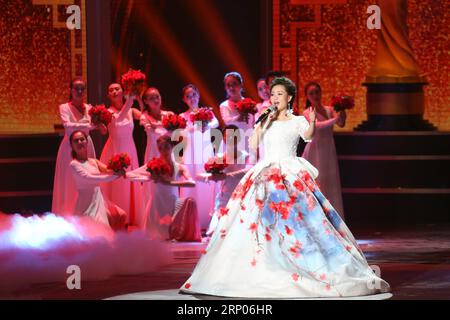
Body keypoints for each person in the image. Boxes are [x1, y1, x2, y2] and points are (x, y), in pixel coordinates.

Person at [179, 77, 389, 298]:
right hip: (265, 171)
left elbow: (307, 137)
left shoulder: (297, 120)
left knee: (300, 221)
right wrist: (262, 122)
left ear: (289, 97)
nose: (275, 98)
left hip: (289, 171)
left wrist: (312, 122)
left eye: (280, 94)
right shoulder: (265, 118)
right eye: (273, 94)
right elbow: (253, 143)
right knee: (254, 220)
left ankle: (303, 262)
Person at [127, 135, 201, 242]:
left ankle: (181, 232)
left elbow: (192, 183)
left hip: (173, 202)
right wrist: (148, 177)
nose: (163, 151)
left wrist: (169, 182)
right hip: (158, 204)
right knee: (158, 236)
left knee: (191, 202)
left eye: (166, 147)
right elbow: (133, 174)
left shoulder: (180, 167)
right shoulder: (153, 166)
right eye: (160, 148)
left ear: (172, 147)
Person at [52, 78, 106, 215]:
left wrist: (101, 125)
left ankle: (90, 213)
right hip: (69, 147)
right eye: (76, 88)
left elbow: (103, 129)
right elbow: (68, 125)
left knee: (89, 178)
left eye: (82, 89)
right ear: (71, 90)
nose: (80, 91)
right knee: (70, 181)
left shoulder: (90, 108)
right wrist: (89, 126)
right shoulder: (64, 107)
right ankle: (69, 213)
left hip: (87, 145)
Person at [100, 83, 144, 228]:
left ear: (122, 91)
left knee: (129, 181)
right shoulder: (108, 112)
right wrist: (130, 100)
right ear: (108, 95)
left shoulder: (131, 111)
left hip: (129, 149)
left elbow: (144, 115)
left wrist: (138, 98)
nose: (114, 91)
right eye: (110, 90)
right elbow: (118, 119)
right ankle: (116, 216)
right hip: (114, 149)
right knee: (116, 183)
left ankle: (130, 215)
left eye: (116, 89)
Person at [178, 84, 220, 230]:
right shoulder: (182, 116)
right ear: (184, 99)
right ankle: (189, 221)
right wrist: (192, 127)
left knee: (206, 184)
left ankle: (207, 220)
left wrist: (205, 125)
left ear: (198, 96)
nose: (192, 98)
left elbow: (216, 123)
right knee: (192, 183)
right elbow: (180, 133)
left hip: (205, 151)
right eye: (188, 96)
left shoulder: (207, 113)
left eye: (194, 95)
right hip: (190, 152)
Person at [302, 82, 346, 218]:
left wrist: (342, 111)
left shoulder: (329, 109)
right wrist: (334, 120)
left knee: (330, 183)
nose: (315, 95)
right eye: (311, 93)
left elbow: (341, 123)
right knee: (318, 182)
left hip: (328, 151)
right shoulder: (307, 112)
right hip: (315, 151)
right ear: (307, 97)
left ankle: (333, 219)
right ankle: (316, 218)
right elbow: (317, 126)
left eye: (317, 92)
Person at [69, 131, 126, 230]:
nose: (79, 142)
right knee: (94, 230)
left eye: (82, 139)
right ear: (72, 146)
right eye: (76, 141)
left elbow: (109, 170)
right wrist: (114, 176)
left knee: (121, 215)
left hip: (99, 199)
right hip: (86, 203)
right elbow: (89, 178)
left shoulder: (94, 161)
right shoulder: (74, 164)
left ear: (87, 142)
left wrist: (120, 167)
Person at [204, 125, 253, 236]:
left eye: (232, 136)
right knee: (216, 231)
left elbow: (248, 171)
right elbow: (212, 174)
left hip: (241, 195)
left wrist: (226, 175)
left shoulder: (245, 156)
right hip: (225, 196)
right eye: (226, 136)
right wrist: (211, 175)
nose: (229, 139)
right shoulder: (219, 157)